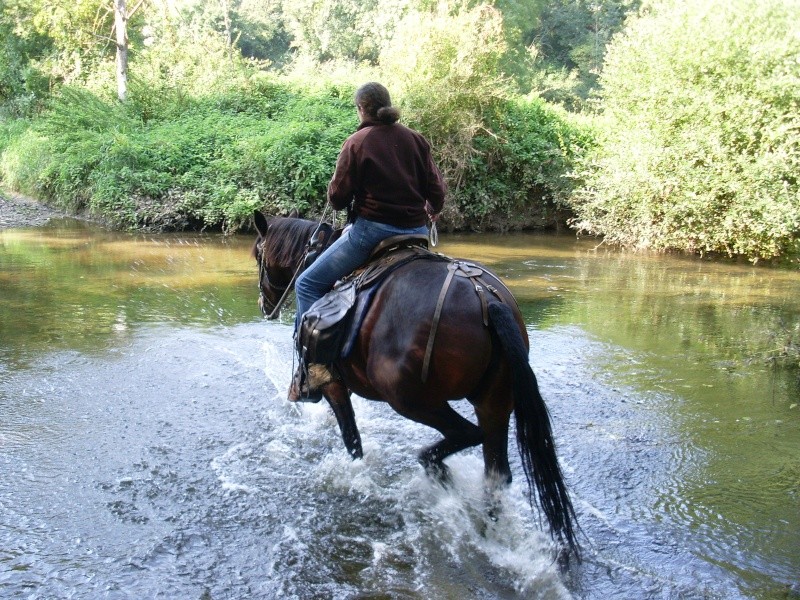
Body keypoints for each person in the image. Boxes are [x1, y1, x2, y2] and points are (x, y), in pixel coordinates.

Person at [289, 81, 447, 401]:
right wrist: (430, 210)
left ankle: (315, 370)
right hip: (416, 235)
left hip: (370, 234)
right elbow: (437, 195)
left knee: (306, 284)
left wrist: (339, 188)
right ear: (387, 105)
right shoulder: (416, 140)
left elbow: (337, 199)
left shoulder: (357, 142)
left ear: (361, 108)